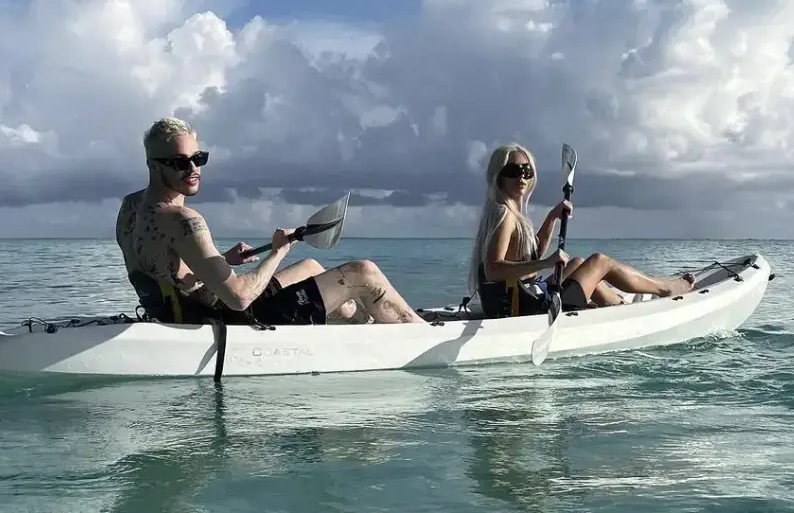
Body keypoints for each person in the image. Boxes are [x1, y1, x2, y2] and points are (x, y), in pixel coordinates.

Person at [115, 117, 425, 326]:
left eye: (199, 158)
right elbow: (239, 298)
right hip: (230, 318)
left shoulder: (130, 207)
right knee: (363, 272)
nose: (194, 169)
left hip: (183, 311)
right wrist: (277, 252)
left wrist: (222, 260)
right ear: (154, 167)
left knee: (312, 268)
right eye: (182, 163)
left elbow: (169, 275)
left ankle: (363, 326)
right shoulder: (184, 220)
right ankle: (418, 335)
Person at [468, 143, 695, 318]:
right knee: (600, 262)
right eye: (512, 170)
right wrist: (547, 263)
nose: (521, 177)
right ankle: (664, 289)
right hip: (524, 310)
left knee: (576, 263)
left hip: (523, 299)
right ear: (498, 176)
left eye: (526, 170)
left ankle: (620, 308)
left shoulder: (507, 213)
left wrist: (552, 218)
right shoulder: (505, 215)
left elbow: (531, 254)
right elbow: (493, 270)